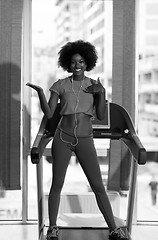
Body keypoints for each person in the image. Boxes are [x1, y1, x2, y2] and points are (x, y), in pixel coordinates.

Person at [26, 40, 131, 240]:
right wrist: (40, 92)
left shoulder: (94, 85)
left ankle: (113, 229)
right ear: (68, 63)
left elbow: (100, 115)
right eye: (73, 62)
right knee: (57, 184)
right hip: (62, 138)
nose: (77, 65)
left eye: (81, 62)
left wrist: (102, 93)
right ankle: (53, 228)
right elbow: (49, 114)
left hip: (85, 139)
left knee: (98, 186)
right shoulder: (60, 85)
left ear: (87, 63)